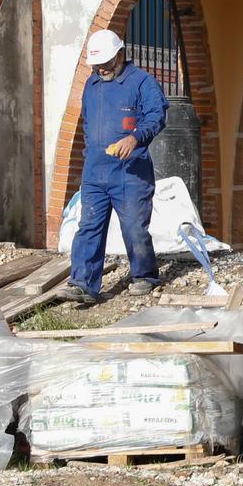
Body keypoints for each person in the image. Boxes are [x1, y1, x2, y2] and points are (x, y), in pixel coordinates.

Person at [62, 28, 166, 304]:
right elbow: (87, 123)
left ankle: (145, 275)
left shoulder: (142, 82)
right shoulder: (91, 85)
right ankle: (82, 283)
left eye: (106, 63)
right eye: (97, 65)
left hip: (130, 173)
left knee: (134, 227)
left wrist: (135, 138)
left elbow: (156, 116)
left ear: (120, 54)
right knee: (88, 227)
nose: (102, 69)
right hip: (95, 172)